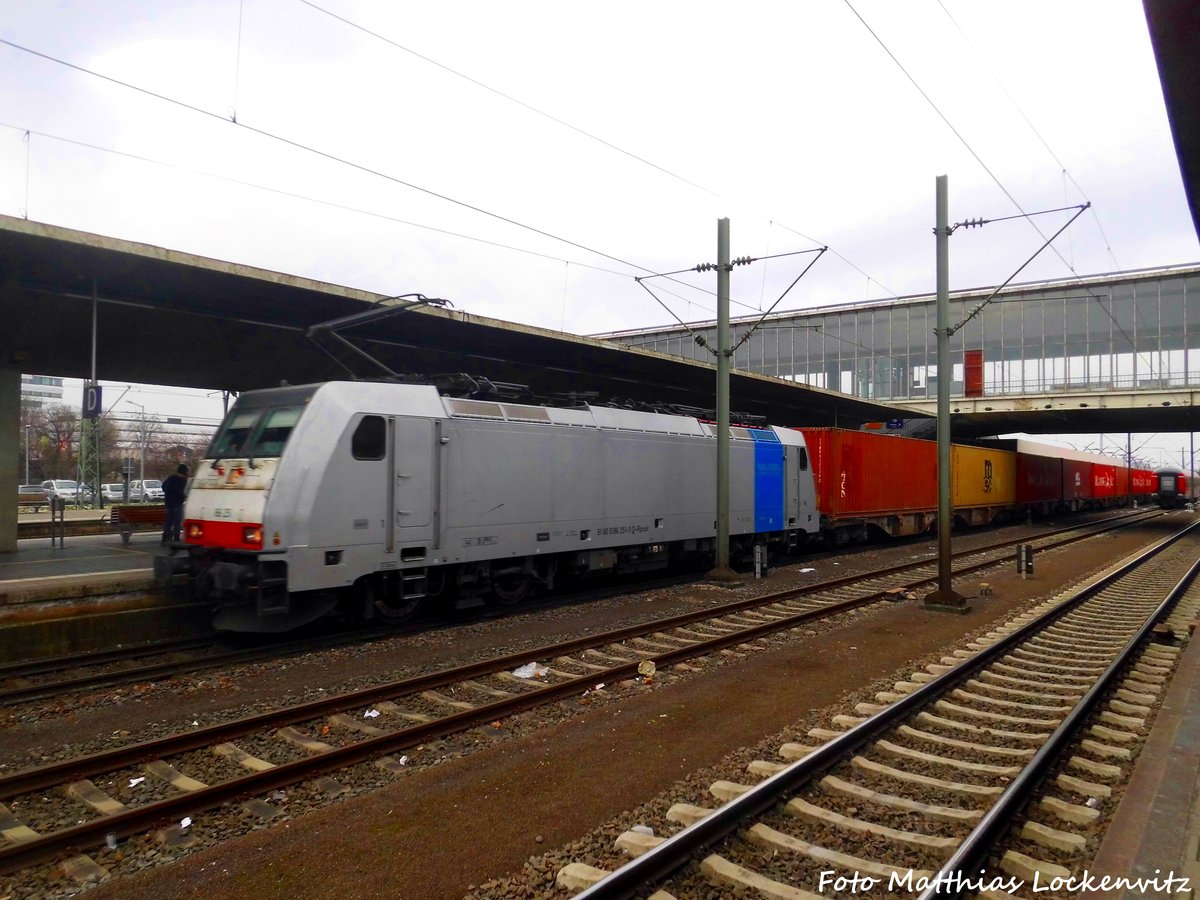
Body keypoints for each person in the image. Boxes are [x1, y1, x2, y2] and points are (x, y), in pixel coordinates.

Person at [162, 464, 190, 544]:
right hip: (177, 503)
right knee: (177, 521)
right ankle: (176, 536)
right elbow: (181, 493)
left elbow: (163, 486)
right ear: (184, 471)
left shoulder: (170, 478)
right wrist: (184, 497)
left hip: (168, 502)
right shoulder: (182, 480)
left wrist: (168, 493)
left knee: (169, 520)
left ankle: (165, 536)